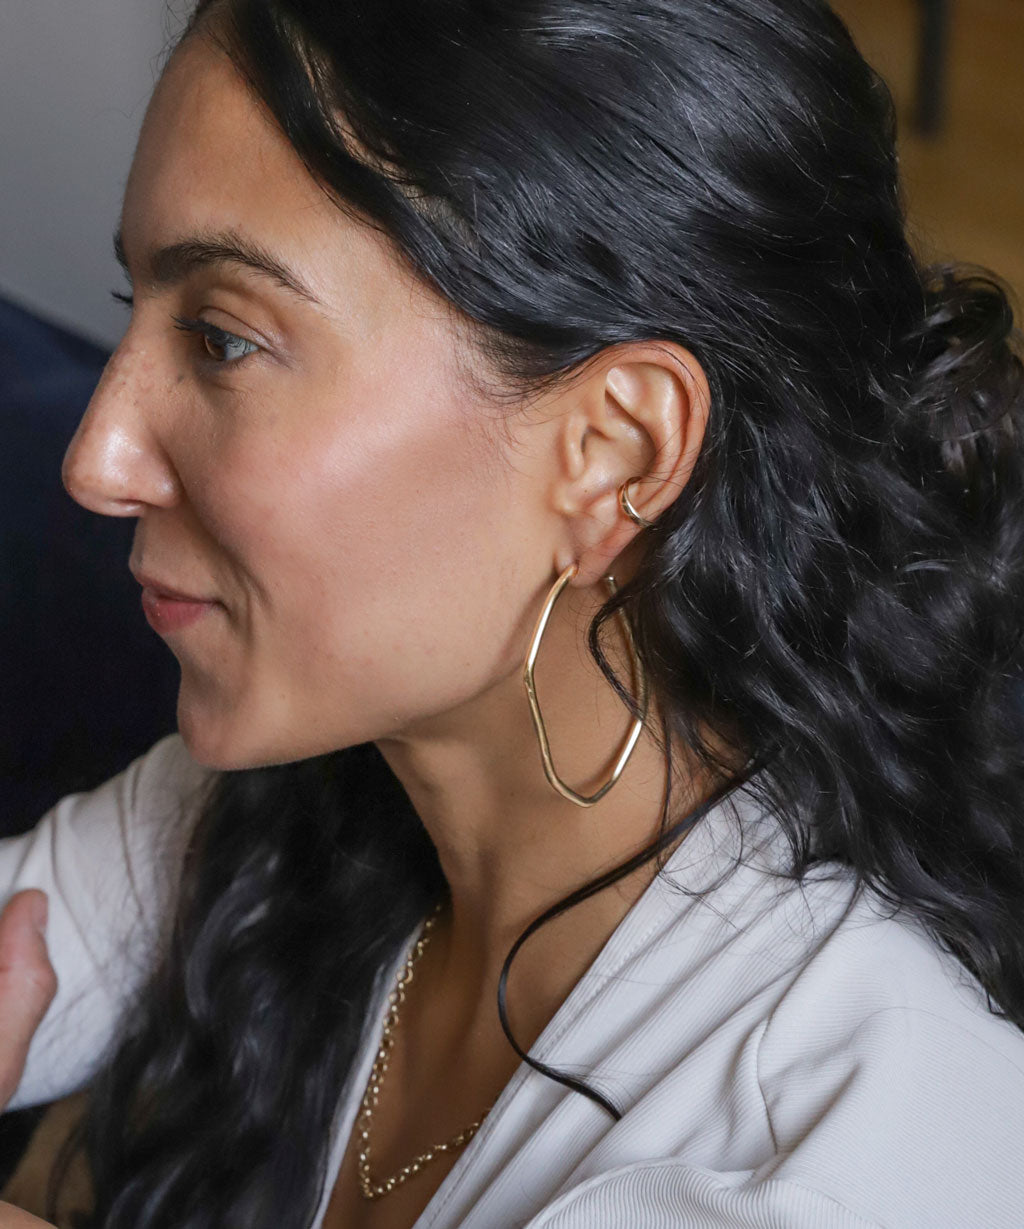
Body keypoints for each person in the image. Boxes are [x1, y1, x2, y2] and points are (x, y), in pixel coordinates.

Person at [1, 0, 1023, 1225]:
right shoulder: (266, 813)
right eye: (134, 310)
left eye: (222, 339)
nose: (97, 459)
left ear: (613, 452)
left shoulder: (842, 1156)